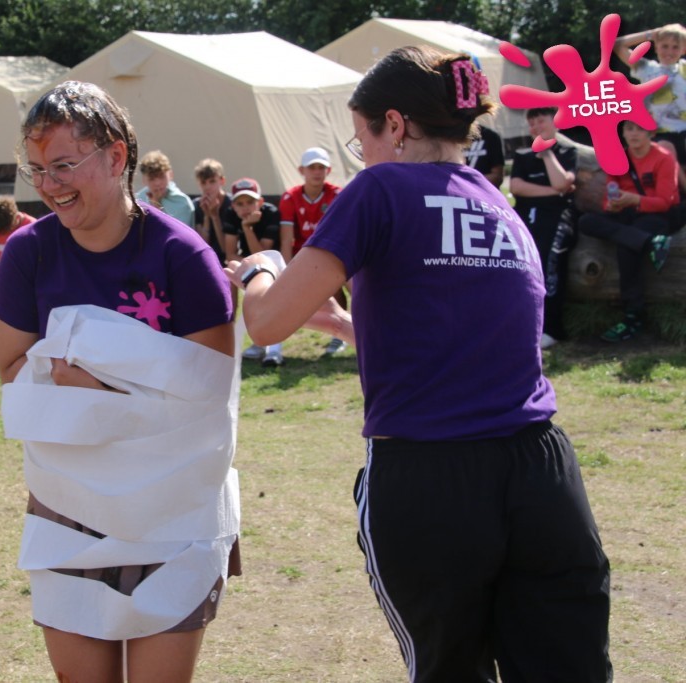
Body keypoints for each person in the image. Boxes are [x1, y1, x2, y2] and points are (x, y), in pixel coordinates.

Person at [227, 46, 611, 683]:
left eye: (362, 140)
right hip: (541, 474)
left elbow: (266, 323)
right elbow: (471, 338)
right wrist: (345, 326)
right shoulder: (496, 202)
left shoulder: (380, 188)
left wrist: (259, 270)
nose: (363, 157)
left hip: (431, 475)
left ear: (395, 124)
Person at [0, 80, 239, 683]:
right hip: (68, 505)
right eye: (36, 170)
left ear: (115, 156)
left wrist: (98, 390)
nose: (48, 185)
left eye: (63, 165)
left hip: (175, 507)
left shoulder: (184, 256)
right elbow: (15, 375)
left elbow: (207, 396)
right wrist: (113, 390)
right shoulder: (27, 253)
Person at [578, 121, 679, 342]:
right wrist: (611, 205)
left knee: (627, 247)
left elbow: (665, 202)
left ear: (651, 133)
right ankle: (649, 242)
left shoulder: (663, 158)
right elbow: (608, 199)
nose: (634, 134)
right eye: (629, 129)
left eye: (639, 129)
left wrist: (635, 199)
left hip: (655, 215)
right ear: (623, 133)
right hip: (627, 213)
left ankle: (633, 317)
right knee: (586, 222)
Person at [509, 107, 578, 348]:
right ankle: (522, 324)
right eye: (532, 123)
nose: (537, 127)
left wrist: (547, 154)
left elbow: (562, 180)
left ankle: (551, 328)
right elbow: (516, 187)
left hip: (558, 219)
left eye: (541, 121)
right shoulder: (523, 156)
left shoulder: (567, 152)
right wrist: (554, 191)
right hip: (527, 218)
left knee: (550, 264)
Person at [278, 146, 348, 355]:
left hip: (334, 252)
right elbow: (287, 239)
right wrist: (286, 272)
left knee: (351, 284)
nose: (317, 172)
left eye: (321, 167)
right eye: (312, 167)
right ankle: (269, 344)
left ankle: (348, 333)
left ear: (328, 170)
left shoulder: (338, 195)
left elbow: (343, 233)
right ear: (302, 170)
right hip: (304, 256)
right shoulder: (290, 198)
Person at [615, 23, 686, 193]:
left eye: (675, 47)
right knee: (666, 150)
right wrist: (651, 34)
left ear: (683, 49)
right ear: (656, 47)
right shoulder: (647, 68)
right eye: (664, 46)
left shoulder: (684, 68)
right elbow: (617, 44)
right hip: (659, 133)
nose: (669, 51)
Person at [223, 177, 285, 367]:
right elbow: (230, 253)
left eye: (250, 202)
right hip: (252, 266)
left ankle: (273, 350)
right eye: (240, 203)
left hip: (276, 265)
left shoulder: (271, 213)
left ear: (260, 202)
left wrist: (247, 228)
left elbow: (264, 255)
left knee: (269, 303)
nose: (245, 208)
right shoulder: (230, 215)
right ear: (233, 206)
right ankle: (252, 340)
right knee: (248, 297)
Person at [0, 194, 35, 347]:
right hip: (1, 271)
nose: (3, 233)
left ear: (16, 218)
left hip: (26, 273)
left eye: (8, 229)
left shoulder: (31, 226)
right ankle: (2, 333)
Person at [134, 150, 195, 227]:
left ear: (170, 175)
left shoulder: (182, 202)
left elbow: (180, 232)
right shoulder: (138, 201)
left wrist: (157, 210)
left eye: (161, 176)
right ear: (144, 180)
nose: (157, 183)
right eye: (152, 178)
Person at [192, 158, 229, 263]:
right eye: (203, 182)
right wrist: (207, 216)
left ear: (222, 181)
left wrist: (215, 216)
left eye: (212, 181)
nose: (207, 187)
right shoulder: (196, 206)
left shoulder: (232, 204)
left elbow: (226, 249)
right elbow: (203, 245)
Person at [463, 123, 505, 188]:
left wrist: (465, 183)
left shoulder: (490, 136)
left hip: (486, 192)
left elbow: (497, 177)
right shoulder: (450, 138)